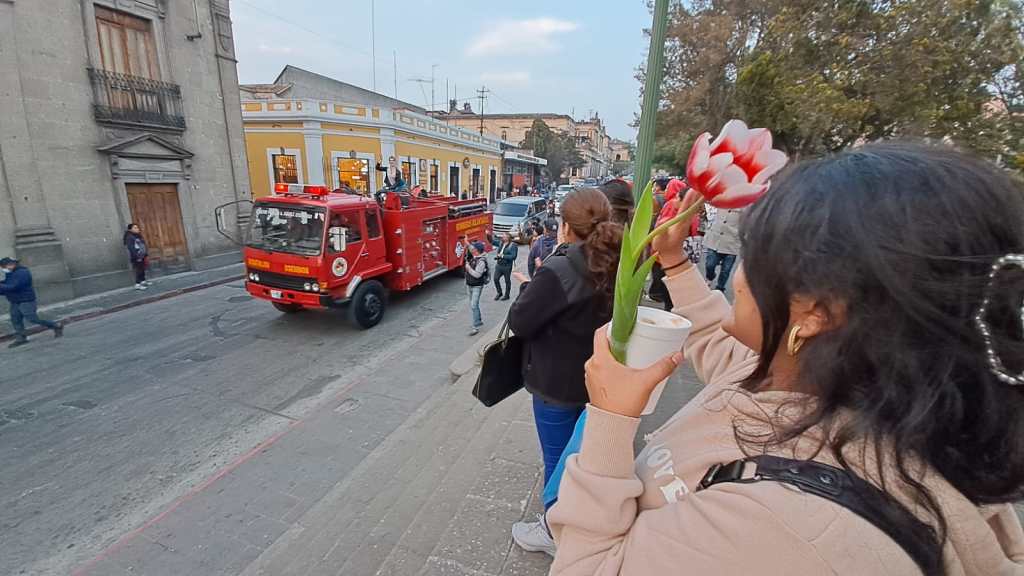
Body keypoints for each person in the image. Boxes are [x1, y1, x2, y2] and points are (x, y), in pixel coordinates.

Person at [545, 143, 1024, 575]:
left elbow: (586, 567)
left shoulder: (785, 532)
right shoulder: (834, 385)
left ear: (814, 312)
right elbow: (721, 343)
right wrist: (675, 263)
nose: (736, 276)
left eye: (756, 256)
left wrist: (610, 423)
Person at [508, 188, 623, 557]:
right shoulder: (621, 258)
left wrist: (529, 285)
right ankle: (577, 518)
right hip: (600, 380)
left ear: (566, 227)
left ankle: (554, 530)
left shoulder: (561, 267)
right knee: (584, 454)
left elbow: (521, 321)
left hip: (557, 384)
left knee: (557, 461)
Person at [0, 257, 63, 348]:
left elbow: (14, 287)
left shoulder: (22, 272)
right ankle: (21, 338)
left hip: (26, 301)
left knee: (32, 319)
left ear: (11, 264)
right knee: (15, 320)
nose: (3, 269)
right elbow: (7, 285)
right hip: (15, 301)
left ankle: (56, 325)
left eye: (3, 267)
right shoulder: (11, 273)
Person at [703, 204, 741, 291]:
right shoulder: (723, 200)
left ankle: (720, 288)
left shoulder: (746, 205)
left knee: (726, 270)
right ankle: (710, 276)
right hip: (715, 239)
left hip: (732, 242)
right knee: (710, 264)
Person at [463, 240, 488, 336]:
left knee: (473, 305)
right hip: (470, 284)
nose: (472, 249)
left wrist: (468, 268)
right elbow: (470, 247)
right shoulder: (475, 255)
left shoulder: (481, 261)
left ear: (477, 251)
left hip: (477, 286)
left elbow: (477, 275)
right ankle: (478, 320)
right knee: (474, 304)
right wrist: (467, 242)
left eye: (474, 248)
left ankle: (475, 326)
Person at [123, 223, 150, 290]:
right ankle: (137, 284)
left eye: (137, 227)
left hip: (142, 255)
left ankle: (143, 281)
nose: (137, 229)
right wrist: (137, 256)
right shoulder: (129, 237)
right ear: (130, 229)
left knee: (142, 268)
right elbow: (131, 248)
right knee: (138, 270)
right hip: (137, 256)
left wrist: (145, 254)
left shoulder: (137, 236)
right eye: (135, 228)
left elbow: (142, 245)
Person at [493, 232, 518, 301]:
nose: (502, 237)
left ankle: (507, 295)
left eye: (503, 236)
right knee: (496, 279)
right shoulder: (501, 243)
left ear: (508, 238)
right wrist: (488, 234)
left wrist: (503, 256)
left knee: (507, 281)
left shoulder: (513, 245)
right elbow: (492, 241)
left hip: (507, 266)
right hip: (499, 265)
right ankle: (499, 292)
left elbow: (513, 256)